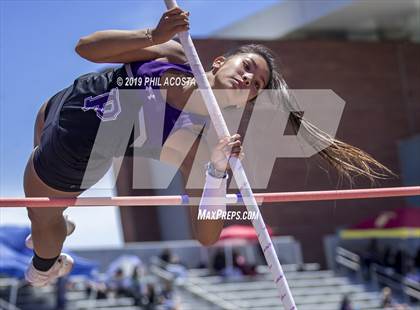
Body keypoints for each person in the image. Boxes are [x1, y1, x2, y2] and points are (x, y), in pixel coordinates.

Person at [23, 6, 393, 287]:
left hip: (77, 151)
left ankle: (45, 266)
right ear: (218, 62)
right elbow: (86, 48)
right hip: (63, 100)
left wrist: (217, 175)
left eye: (257, 85)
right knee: (44, 210)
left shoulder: (200, 141)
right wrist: (151, 33)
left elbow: (206, 236)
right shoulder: (172, 52)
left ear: (245, 102)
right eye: (248, 67)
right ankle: (58, 228)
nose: (249, 78)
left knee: (42, 218)